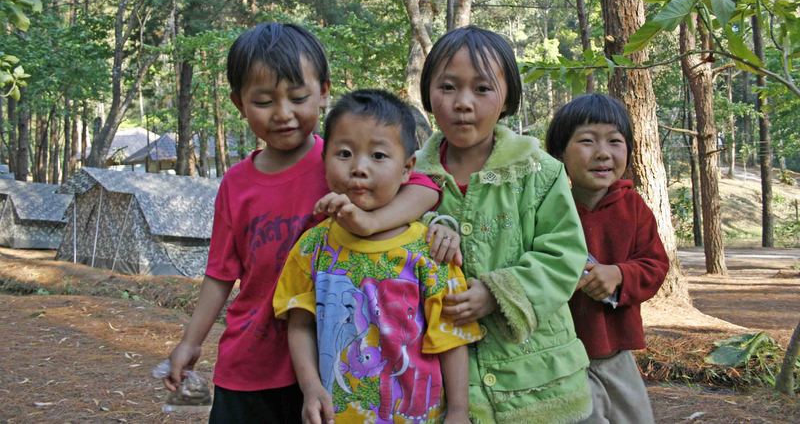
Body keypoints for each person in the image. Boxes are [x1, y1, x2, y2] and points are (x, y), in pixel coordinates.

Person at [162, 23, 453, 423]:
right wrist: (190, 342)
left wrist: (369, 222)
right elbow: (220, 273)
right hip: (251, 360)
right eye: (264, 101)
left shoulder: (344, 161)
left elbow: (424, 188)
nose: (284, 114)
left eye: (298, 98)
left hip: (329, 361)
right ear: (238, 103)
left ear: (323, 92)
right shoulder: (236, 184)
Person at [414, 25, 592, 423]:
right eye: (448, 87)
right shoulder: (406, 178)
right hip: (441, 384)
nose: (463, 103)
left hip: (536, 384)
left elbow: (564, 256)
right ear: (428, 93)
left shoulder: (540, 173)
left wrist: (497, 294)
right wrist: (426, 223)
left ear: (507, 96)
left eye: (481, 89)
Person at [273, 89, 482, 424]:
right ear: (324, 159)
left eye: (379, 156)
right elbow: (300, 326)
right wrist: (311, 387)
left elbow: (451, 337)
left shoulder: (430, 253)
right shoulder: (312, 248)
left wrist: (458, 411)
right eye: (344, 153)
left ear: (407, 169)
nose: (359, 168)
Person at [545, 93, 669, 424]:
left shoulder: (634, 209)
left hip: (615, 351)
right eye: (587, 141)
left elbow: (655, 265)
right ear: (559, 153)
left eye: (615, 141)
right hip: (562, 354)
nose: (602, 153)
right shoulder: (549, 209)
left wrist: (619, 275)